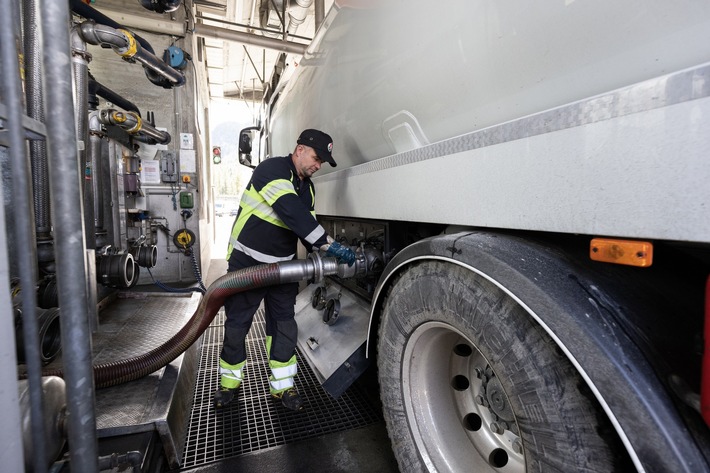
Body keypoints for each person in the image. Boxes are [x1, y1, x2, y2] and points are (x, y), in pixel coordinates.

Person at [214, 129, 356, 411]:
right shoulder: (273, 169)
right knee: (237, 326)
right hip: (248, 263)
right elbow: (292, 213)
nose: (318, 166)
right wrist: (330, 246)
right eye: (317, 158)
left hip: (283, 268)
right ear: (300, 149)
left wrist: (323, 259)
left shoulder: (308, 187)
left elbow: (306, 229)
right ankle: (229, 385)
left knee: (283, 327)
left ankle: (283, 388)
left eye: (323, 163)